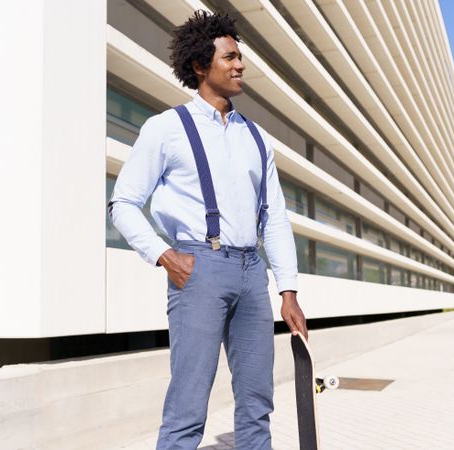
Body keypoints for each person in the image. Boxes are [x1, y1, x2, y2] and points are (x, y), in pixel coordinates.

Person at [108, 10, 307, 450]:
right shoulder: (166, 128)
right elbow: (122, 203)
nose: (240, 65)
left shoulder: (256, 137)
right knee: (187, 409)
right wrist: (164, 255)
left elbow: (273, 216)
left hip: (252, 273)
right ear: (201, 66)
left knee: (258, 405)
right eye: (230, 57)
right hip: (199, 269)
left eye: (240, 57)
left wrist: (288, 289)